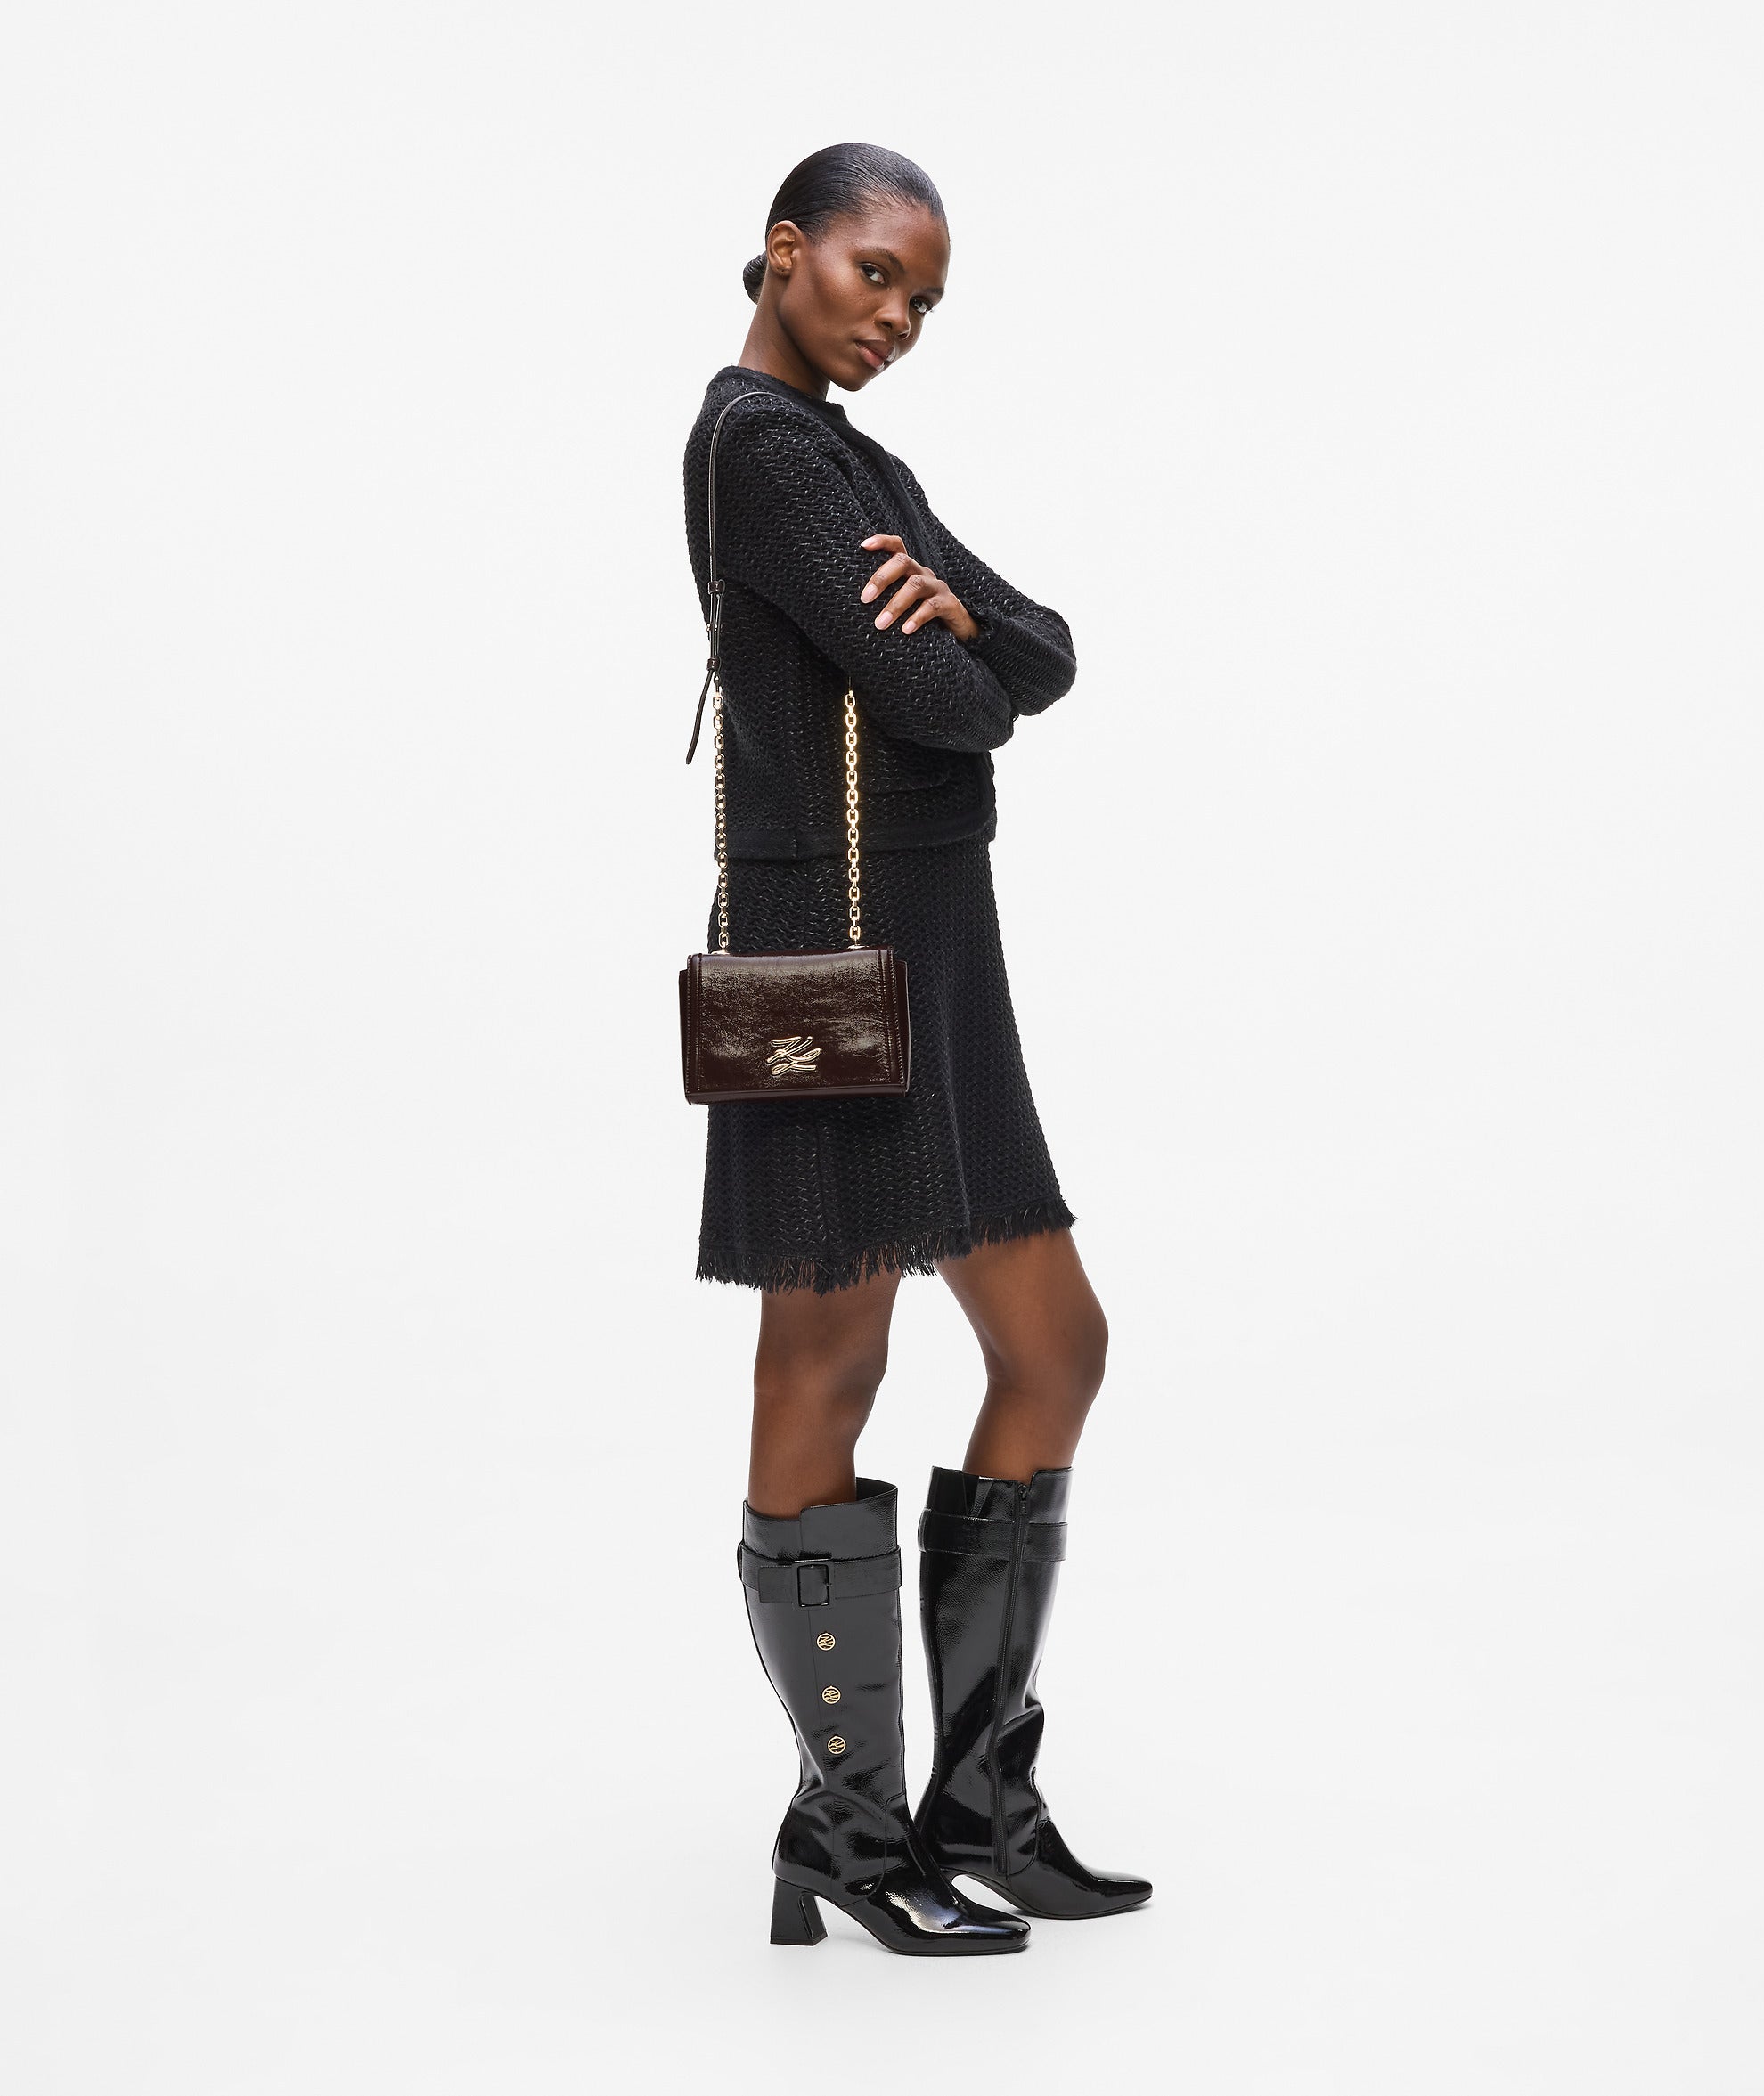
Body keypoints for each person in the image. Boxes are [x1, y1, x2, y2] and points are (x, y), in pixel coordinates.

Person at [683, 143, 1150, 1956]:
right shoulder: (761, 447)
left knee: (1055, 1344)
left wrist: (972, 633)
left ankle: (976, 1801)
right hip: (824, 950)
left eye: (926, 299)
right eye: (875, 272)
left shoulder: (861, 464)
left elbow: (1042, 647)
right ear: (786, 249)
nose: (897, 316)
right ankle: (847, 1822)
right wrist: (965, 656)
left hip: (938, 949)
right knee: (830, 1351)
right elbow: (954, 699)